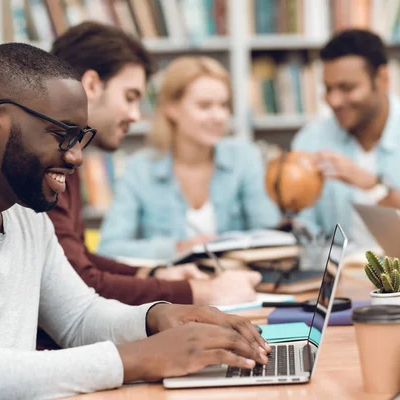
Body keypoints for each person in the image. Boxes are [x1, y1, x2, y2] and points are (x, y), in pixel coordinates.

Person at [0, 43, 270, 399]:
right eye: (62, 135)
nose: (77, 156)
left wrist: (157, 317)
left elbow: (79, 318)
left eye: (81, 137)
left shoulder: (24, 211)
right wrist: (137, 358)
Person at [46, 21, 262, 309]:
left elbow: (82, 259)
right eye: (130, 97)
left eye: (224, 106)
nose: (136, 116)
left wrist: (154, 272)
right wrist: (198, 292)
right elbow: (81, 280)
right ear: (92, 85)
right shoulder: (48, 161)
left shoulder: (67, 155)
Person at [292, 29, 400, 255]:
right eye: (328, 89)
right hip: (338, 279)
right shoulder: (310, 140)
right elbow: (304, 233)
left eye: (347, 88)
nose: (334, 101)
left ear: (383, 79)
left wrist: (374, 187)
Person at [96, 55, 281, 260]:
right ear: (171, 109)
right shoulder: (139, 169)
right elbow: (109, 248)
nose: (219, 117)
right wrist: (178, 247)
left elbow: (270, 235)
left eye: (223, 105)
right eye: (204, 106)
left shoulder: (244, 158)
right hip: (171, 287)